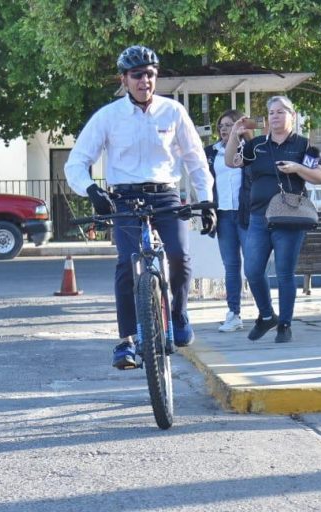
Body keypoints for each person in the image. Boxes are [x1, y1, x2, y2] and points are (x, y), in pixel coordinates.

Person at [64, 45, 216, 370]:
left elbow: (194, 159)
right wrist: (92, 191)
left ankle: (177, 312)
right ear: (124, 79)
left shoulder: (172, 112)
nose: (144, 81)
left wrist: (207, 201)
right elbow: (76, 162)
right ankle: (126, 340)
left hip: (165, 195)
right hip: (125, 197)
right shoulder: (107, 116)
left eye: (149, 74)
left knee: (179, 255)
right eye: (137, 75)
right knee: (126, 264)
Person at [224, 96, 321, 343]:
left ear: (292, 115)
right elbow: (231, 161)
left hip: (289, 216)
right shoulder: (257, 145)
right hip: (259, 216)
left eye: (281, 112)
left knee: (284, 272)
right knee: (253, 269)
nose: (275, 116)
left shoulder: (304, 145)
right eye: (271, 113)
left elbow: (319, 177)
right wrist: (235, 135)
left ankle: (285, 325)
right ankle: (267, 315)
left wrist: (297, 168)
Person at [204, 109, 253, 332]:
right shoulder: (211, 152)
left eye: (230, 125)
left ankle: (266, 311)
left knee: (253, 265)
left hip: (247, 214)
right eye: (222, 126)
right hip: (224, 214)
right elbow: (203, 181)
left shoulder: (251, 149)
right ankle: (234, 313)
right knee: (231, 266)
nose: (225, 129)